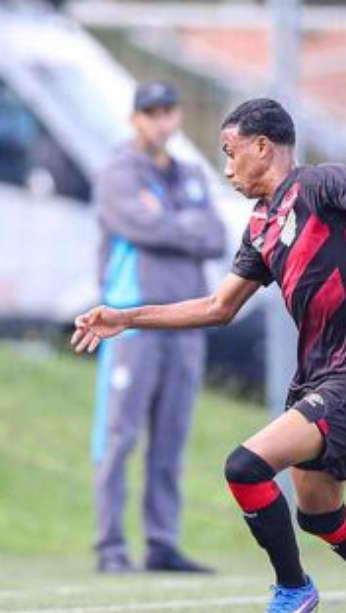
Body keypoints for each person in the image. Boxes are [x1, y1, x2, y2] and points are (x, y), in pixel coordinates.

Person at [72, 98, 346, 613]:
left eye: (230, 152)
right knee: (318, 513)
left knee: (244, 466)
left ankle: (293, 589)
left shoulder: (322, 184)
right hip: (318, 377)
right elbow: (216, 307)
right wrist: (127, 318)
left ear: (262, 147)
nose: (226, 168)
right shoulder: (261, 227)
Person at [90, 81, 225, 574]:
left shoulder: (190, 173)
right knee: (119, 436)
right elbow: (141, 227)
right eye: (151, 112)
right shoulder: (117, 173)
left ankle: (162, 543)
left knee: (172, 437)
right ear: (135, 119)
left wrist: (172, 223)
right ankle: (110, 546)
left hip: (187, 322)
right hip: (131, 320)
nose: (160, 120)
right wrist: (181, 225)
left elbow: (217, 237)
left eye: (168, 111)